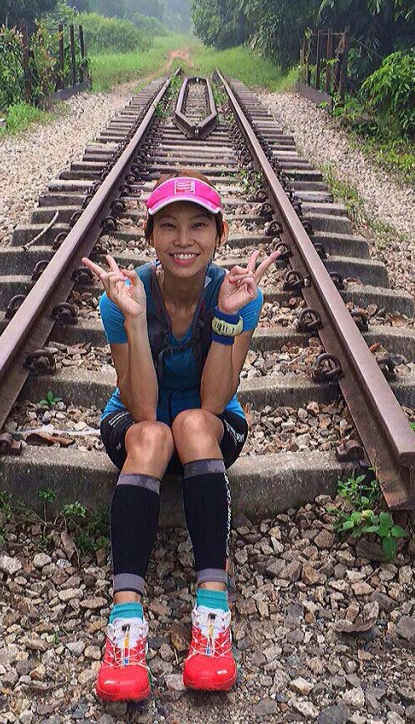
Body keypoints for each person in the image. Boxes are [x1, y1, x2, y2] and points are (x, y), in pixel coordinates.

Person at [81, 170, 279, 702]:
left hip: (208, 430)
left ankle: (212, 612)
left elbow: (214, 401)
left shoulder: (239, 294)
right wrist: (135, 319)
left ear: (220, 233)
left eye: (198, 225)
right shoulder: (123, 296)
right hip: (137, 425)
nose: (183, 239)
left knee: (192, 421)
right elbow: (142, 407)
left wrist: (228, 318)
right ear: (149, 235)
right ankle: (125, 623)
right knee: (152, 434)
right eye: (168, 226)